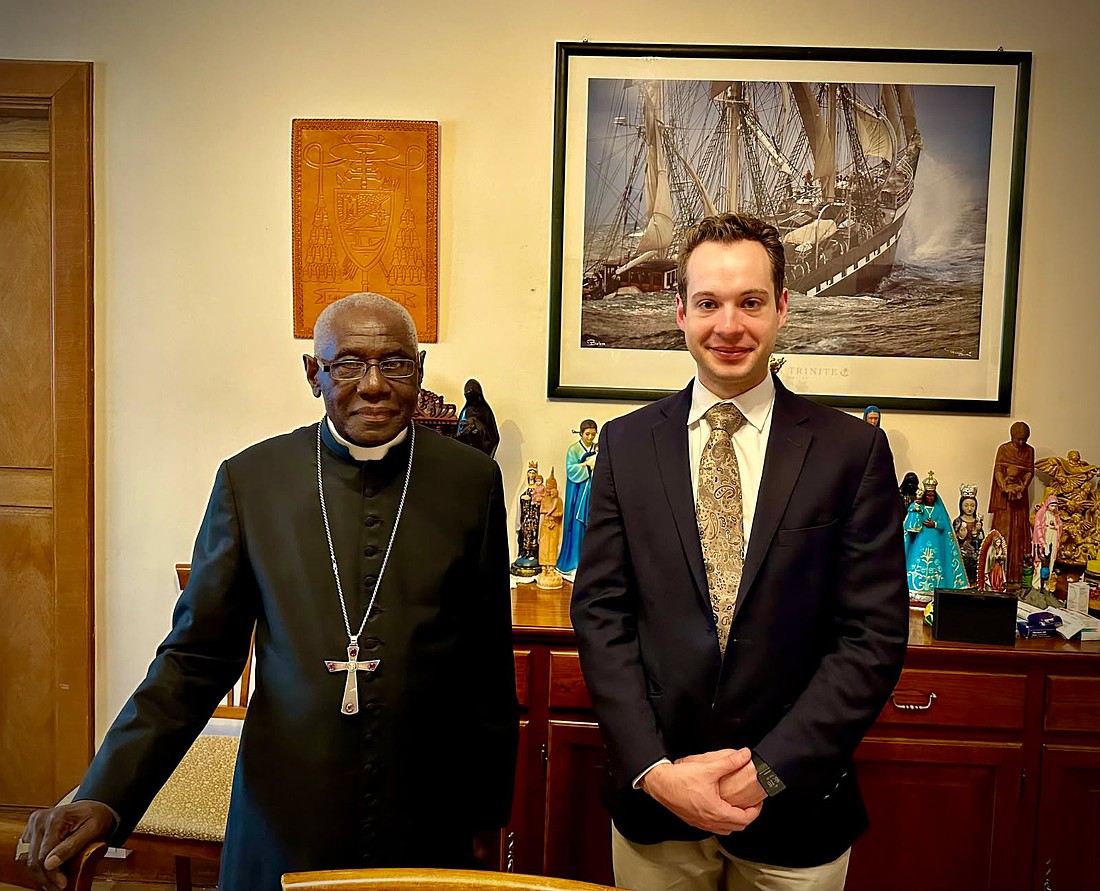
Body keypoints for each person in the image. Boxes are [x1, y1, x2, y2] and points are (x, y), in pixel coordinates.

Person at [18, 293, 519, 891]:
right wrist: (105, 794)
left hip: (426, 807)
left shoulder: (470, 481)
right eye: (349, 364)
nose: (375, 384)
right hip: (286, 812)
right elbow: (195, 659)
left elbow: (487, 665)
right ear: (315, 374)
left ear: (420, 371)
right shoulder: (251, 481)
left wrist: (490, 813)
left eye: (396, 363)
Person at [570, 212, 909, 891]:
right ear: (681, 311)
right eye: (709, 303)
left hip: (796, 811)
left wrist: (768, 771)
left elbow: (871, 637)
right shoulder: (625, 446)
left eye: (750, 302)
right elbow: (602, 617)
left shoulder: (851, 452)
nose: (730, 325)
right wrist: (657, 771)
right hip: (656, 808)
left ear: (783, 307)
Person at [904, 471, 969, 604]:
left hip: (935, 544)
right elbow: (912, 526)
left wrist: (934, 524)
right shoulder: (919, 507)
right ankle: (914, 589)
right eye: (927, 495)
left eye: (932, 495)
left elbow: (943, 524)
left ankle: (935, 589)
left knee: (936, 566)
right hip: (919, 542)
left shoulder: (938, 510)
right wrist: (916, 506)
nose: (930, 497)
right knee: (917, 563)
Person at [989, 422, 1035, 583]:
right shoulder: (1004, 449)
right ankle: (999, 574)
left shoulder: (1029, 451)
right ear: (1012, 436)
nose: (1021, 443)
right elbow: (998, 470)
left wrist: (1023, 486)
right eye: (1018, 439)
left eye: (1024, 439)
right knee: (1004, 531)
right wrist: (1004, 487)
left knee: (1018, 533)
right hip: (1005, 497)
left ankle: (1016, 574)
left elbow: (1029, 471)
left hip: (1020, 497)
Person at [556, 420, 598, 574]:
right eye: (587, 434)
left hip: (593, 490)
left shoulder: (598, 448)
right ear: (581, 433)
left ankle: (590, 563)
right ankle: (574, 561)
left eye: (593, 434)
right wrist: (587, 465)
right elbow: (571, 470)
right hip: (578, 491)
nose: (590, 437)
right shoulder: (573, 450)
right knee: (576, 525)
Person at [952, 484, 985, 587]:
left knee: (976, 560)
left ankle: (974, 584)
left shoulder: (977, 522)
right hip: (962, 551)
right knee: (964, 559)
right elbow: (953, 540)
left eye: (972, 505)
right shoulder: (958, 521)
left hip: (974, 551)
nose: (969, 509)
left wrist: (978, 533)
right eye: (966, 505)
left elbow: (982, 540)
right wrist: (961, 536)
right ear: (961, 506)